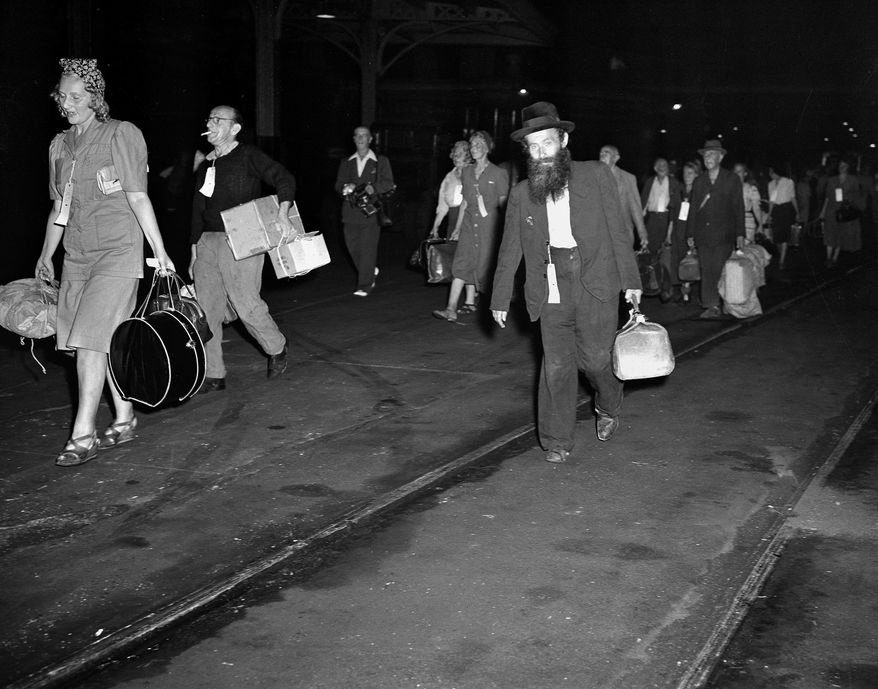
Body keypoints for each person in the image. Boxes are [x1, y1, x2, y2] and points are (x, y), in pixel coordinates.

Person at [35, 58, 176, 467]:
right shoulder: (59, 146)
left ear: (95, 98)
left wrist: (160, 251)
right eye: (62, 96)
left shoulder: (121, 134)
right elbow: (59, 207)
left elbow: (138, 196)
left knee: (89, 343)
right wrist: (46, 254)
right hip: (77, 256)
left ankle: (83, 435)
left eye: (77, 96)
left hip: (117, 251)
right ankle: (126, 417)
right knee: (103, 340)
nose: (68, 103)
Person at [490, 102, 642, 461]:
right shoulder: (522, 193)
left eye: (548, 143)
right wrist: (498, 297)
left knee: (594, 360)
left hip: (595, 279)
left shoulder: (597, 175)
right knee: (556, 364)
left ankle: (609, 403)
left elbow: (618, 230)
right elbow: (509, 248)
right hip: (551, 281)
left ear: (564, 139)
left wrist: (631, 279)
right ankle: (556, 440)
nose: (541, 153)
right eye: (533, 146)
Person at [189, 104, 294, 392]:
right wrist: (194, 250)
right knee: (206, 311)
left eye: (217, 119)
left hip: (242, 238)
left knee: (246, 305)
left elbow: (284, 179)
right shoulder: (206, 164)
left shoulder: (248, 155)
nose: (210, 123)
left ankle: (277, 347)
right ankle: (214, 373)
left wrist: (283, 214)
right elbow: (198, 208)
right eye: (208, 118)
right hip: (207, 242)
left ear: (234, 128)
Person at [432, 130, 509, 321]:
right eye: (472, 145)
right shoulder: (466, 172)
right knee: (461, 263)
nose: (474, 149)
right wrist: (458, 228)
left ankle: (497, 306)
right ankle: (450, 309)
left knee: (485, 267)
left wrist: (504, 229)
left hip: (488, 226)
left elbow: (504, 204)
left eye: (478, 145)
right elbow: (465, 200)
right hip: (468, 223)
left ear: (487, 148)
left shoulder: (498, 173)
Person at [687, 139, 745, 319]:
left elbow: (738, 207)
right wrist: (690, 233)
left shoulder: (731, 179)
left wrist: (740, 233)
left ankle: (725, 301)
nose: (707, 157)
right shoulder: (699, 181)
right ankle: (711, 304)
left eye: (711, 154)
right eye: (705, 155)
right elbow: (693, 208)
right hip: (703, 234)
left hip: (724, 233)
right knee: (707, 269)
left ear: (720, 157)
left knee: (721, 269)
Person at [335, 126, 394, 296]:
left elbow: (389, 183)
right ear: (354, 139)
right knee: (353, 247)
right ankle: (369, 270)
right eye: (358, 136)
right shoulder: (346, 162)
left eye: (364, 136)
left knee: (367, 248)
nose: (361, 138)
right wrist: (345, 187)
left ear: (370, 139)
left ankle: (365, 285)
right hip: (350, 212)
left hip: (371, 212)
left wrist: (372, 188)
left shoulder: (380, 161)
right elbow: (338, 184)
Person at [640, 157, 681, 300]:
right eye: (659, 165)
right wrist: (641, 227)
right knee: (650, 255)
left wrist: (670, 230)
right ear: (655, 168)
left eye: (664, 164)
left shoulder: (674, 183)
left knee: (666, 255)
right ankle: (653, 285)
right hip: (651, 220)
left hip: (667, 220)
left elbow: (676, 207)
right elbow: (643, 204)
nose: (662, 167)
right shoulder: (650, 182)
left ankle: (667, 288)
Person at [599, 144, 648, 250]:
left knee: (623, 264)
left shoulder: (628, 178)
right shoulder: (592, 177)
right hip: (600, 232)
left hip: (623, 231)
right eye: (601, 153)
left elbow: (635, 208)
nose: (602, 155)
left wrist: (642, 233)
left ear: (616, 158)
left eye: (606, 153)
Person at [819, 159, 864, 268]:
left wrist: (854, 206)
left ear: (848, 167)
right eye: (840, 165)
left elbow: (857, 196)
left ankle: (835, 257)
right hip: (832, 210)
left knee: (841, 234)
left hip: (845, 212)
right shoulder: (832, 180)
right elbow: (827, 197)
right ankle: (828, 258)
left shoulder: (853, 180)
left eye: (844, 165)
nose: (842, 167)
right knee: (830, 233)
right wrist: (823, 211)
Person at [428, 140, 470, 240]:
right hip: (453, 218)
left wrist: (458, 228)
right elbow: (442, 205)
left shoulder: (473, 175)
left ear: (468, 156)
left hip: (468, 220)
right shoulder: (449, 177)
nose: (455, 157)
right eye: (454, 154)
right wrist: (435, 227)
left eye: (459, 154)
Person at [673, 161, 700, 304]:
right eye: (684, 173)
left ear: (696, 174)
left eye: (690, 173)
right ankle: (684, 290)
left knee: (692, 260)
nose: (686, 176)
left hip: (694, 229)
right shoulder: (680, 190)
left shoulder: (700, 192)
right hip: (680, 229)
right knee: (682, 260)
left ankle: (688, 292)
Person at [767, 164, 798, 268]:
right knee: (776, 237)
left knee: (784, 235)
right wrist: (769, 214)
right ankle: (782, 254)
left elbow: (793, 197)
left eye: (771, 172)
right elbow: (771, 201)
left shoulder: (788, 182)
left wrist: (797, 212)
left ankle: (782, 261)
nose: (770, 174)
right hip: (776, 210)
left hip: (786, 209)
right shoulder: (770, 184)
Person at [732, 163, 764, 243]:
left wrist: (760, 225)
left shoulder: (751, 189)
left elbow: (756, 208)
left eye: (739, 171)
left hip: (747, 223)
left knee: (744, 251)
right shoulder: (728, 188)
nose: (736, 174)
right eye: (735, 171)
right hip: (731, 222)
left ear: (745, 173)